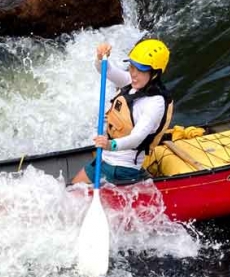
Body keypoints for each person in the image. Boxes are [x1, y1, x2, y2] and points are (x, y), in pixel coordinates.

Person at [71, 39, 174, 184]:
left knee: (75, 191)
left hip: (122, 168)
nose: (134, 74)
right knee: (73, 186)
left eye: (141, 70)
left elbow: (136, 138)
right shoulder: (133, 83)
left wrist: (110, 145)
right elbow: (106, 70)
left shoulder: (155, 103)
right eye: (132, 67)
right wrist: (101, 58)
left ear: (155, 74)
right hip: (106, 158)